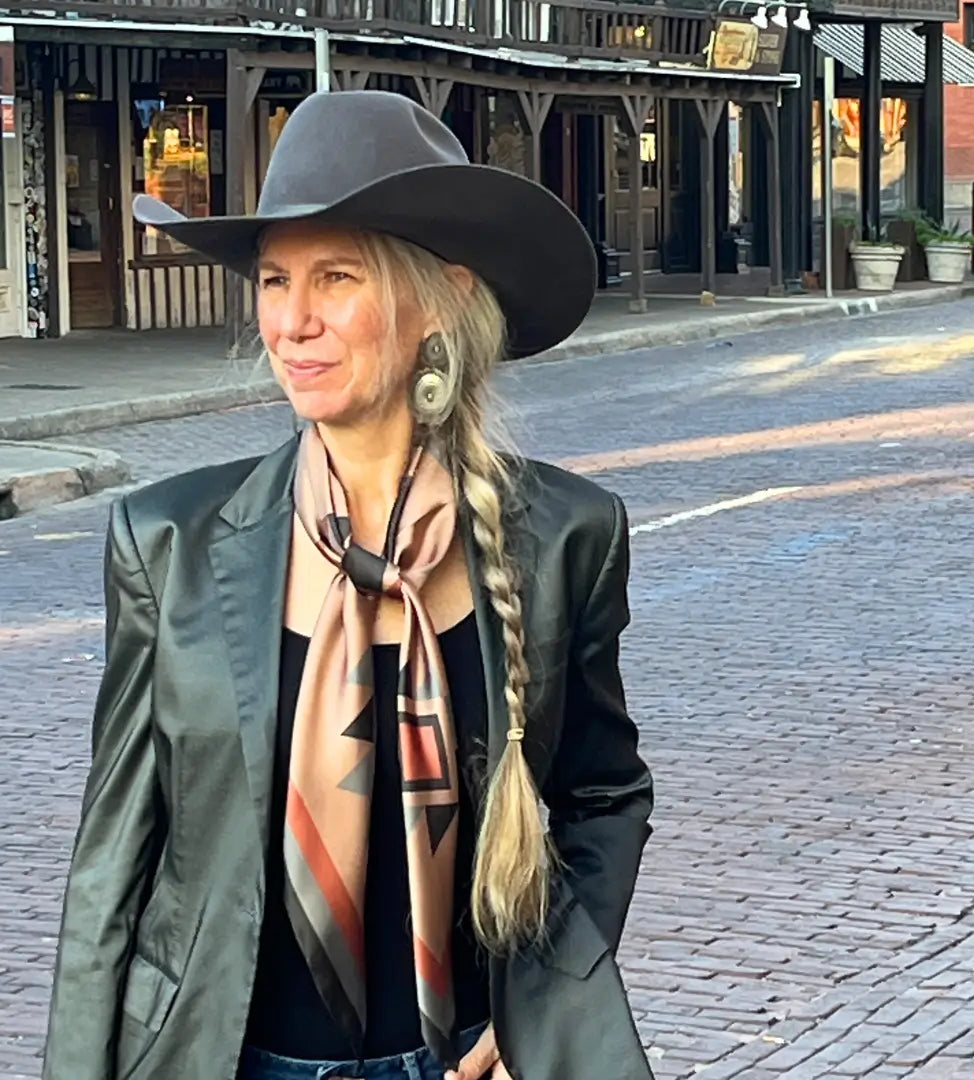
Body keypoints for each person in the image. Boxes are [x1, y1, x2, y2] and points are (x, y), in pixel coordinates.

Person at [43, 90, 654, 1080]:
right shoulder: (172, 544)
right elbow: (112, 864)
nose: (292, 321)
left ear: (438, 304)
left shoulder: (563, 541)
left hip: (455, 1060)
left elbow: (602, 793)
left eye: (336, 277)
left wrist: (542, 1000)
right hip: (227, 1057)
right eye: (276, 280)